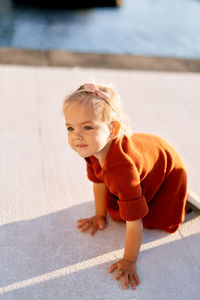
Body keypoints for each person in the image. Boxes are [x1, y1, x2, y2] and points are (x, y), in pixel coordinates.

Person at [62, 83, 187, 290]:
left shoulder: (122, 170)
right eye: (70, 128)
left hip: (170, 171)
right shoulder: (93, 149)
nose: (77, 135)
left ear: (113, 129)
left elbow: (134, 221)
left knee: (139, 213)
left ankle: (183, 202)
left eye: (87, 127)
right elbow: (98, 181)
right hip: (149, 152)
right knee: (115, 205)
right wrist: (100, 215)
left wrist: (129, 260)